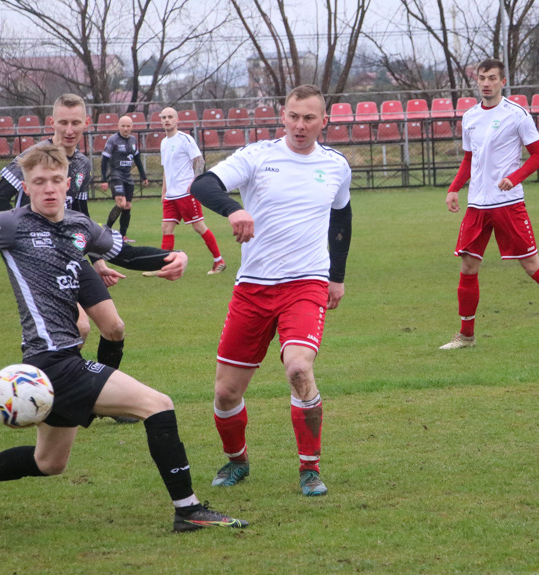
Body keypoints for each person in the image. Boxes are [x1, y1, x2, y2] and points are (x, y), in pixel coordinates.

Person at [0, 144, 248, 533]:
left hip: (57, 362)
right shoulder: (9, 224)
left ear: (67, 183)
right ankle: (187, 509)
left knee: (48, 463)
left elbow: (126, 255)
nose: (49, 188)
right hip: (52, 360)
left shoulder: (79, 225)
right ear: (28, 186)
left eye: (56, 181)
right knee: (158, 405)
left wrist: (172, 257)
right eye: (39, 182)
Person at [188, 85, 352, 496]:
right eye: (294, 116)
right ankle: (237, 461)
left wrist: (337, 275)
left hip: (307, 283)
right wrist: (235, 208)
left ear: (323, 121)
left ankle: (309, 469)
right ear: (283, 115)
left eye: (309, 118)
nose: (300, 125)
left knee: (299, 369)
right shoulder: (258, 156)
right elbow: (204, 185)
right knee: (226, 392)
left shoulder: (335, 166)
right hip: (253, 288)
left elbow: (341, 219)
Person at [0, 96, 130, 421]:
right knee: (79, 327)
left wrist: (100, 260)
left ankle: (97, 401)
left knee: (114, 328)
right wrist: (28, 238)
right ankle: (50, 398)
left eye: (75, 123)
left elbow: (81, 217)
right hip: (38, 258)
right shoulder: (30, 158)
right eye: (62, 122)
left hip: (72, 257)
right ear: (52, 123)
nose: (68, 129)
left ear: (85, 125)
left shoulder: (81, 164)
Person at [441, 58, 539, 350]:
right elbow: (469, 158)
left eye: (492, 78)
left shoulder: (517, 115)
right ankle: (466, 335)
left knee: (531, 264)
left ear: (502, 81)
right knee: (468, 267)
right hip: (477, 205)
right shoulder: (469, 116)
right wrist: (455, 188)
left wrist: (514, 177)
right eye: (482, 78)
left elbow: (538, 155)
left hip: (508, 204)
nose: (486, 83)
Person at [158, 107, 226, 275]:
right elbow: (166, 169)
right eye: (164, 117)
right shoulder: (163, 142)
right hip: (171, 195)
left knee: (198, 226)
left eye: (170, 117)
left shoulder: (185, 139)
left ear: (176, 120)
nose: (167, 120)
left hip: (186, 193)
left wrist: (195, 182)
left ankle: (219, 260)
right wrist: (163, 191)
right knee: (166, 228)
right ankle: (162, 265)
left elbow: (199, 161)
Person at [102, 115, 149, 243]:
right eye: (123, 126)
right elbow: (104, 160)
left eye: (128, 126)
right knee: (121, 203)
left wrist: (143, 176)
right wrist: (103, 179)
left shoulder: (133, 140)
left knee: (127, 206)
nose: (126, 128)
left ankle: (123, 236)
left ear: (132, 127)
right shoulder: (113, 140)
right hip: (116, 175)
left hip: (128, 176)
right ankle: (107, 230)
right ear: (118, 126)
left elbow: (137, 159)